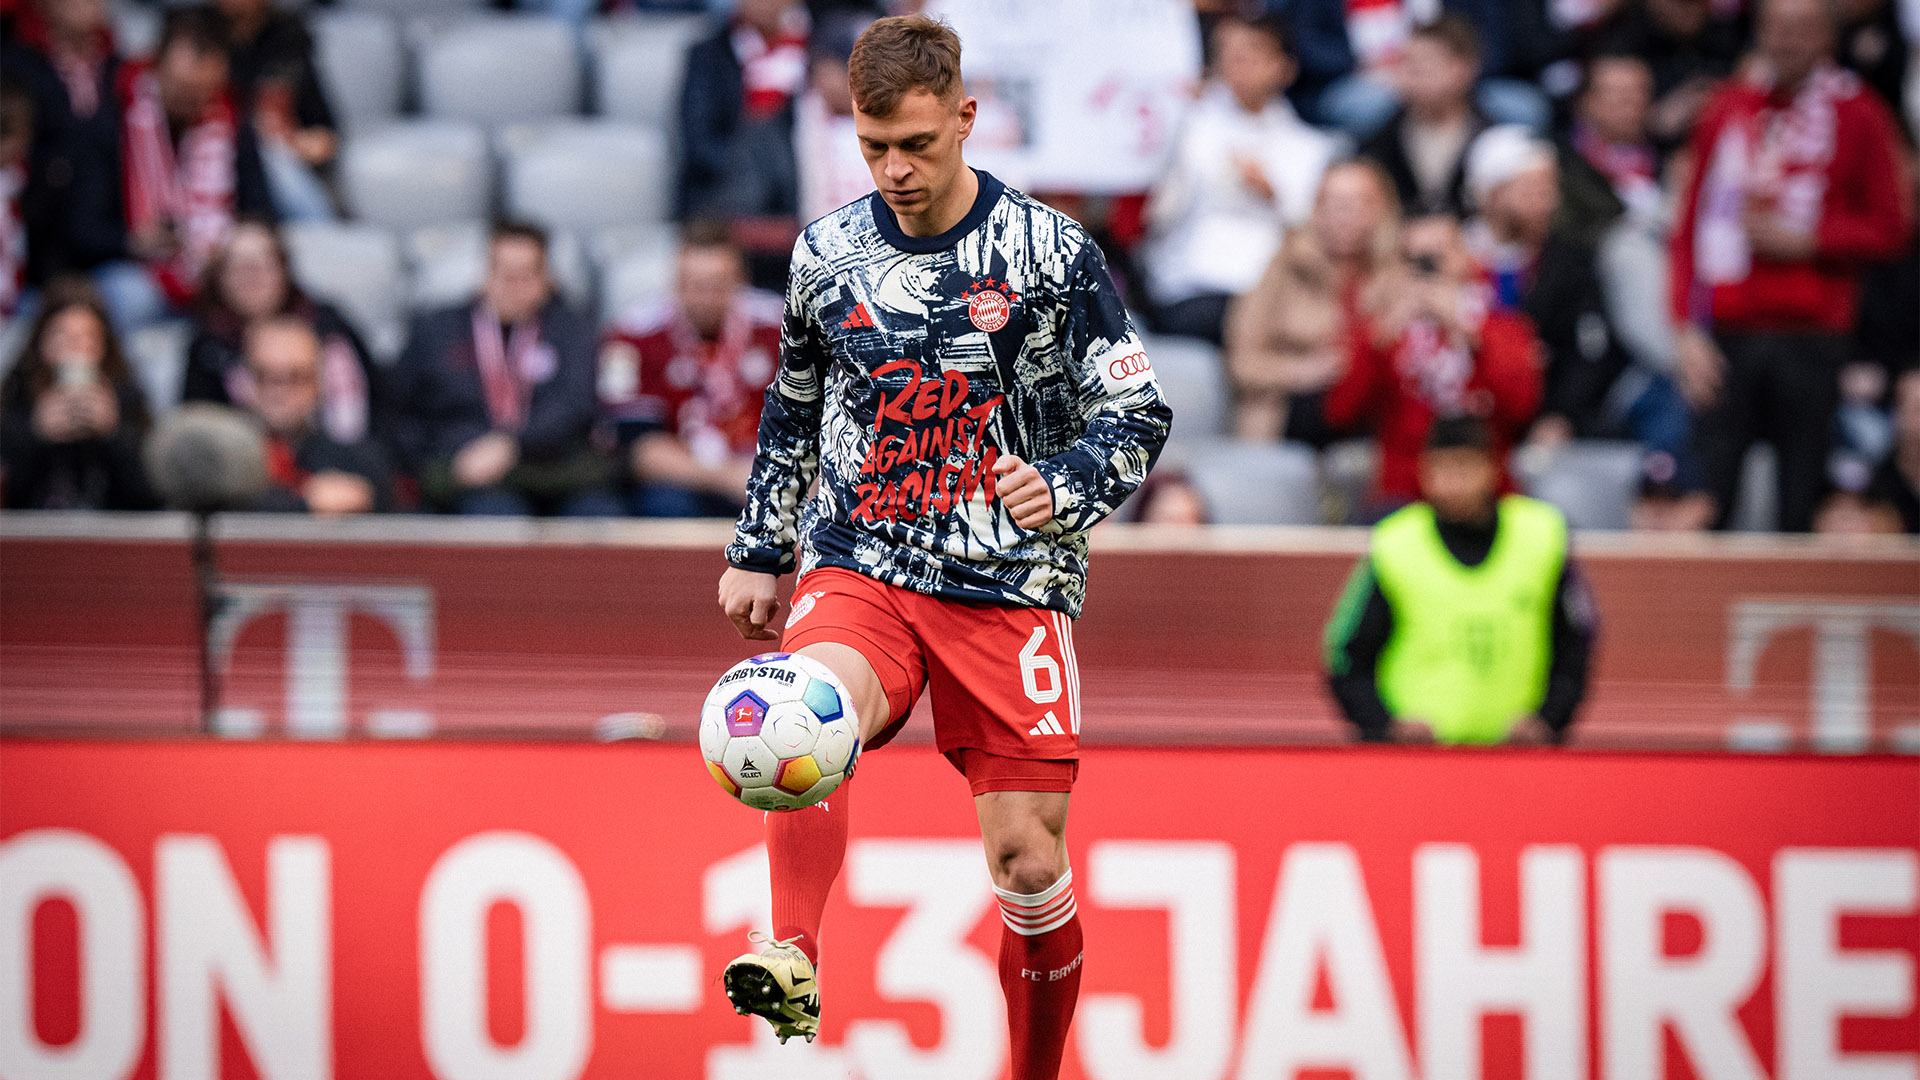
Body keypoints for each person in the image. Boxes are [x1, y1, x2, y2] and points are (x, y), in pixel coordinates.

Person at [714, 15, 1171, 1077]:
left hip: (1010, 583)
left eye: (916, 144)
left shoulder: (1050, 255)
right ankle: (791, 951)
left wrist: (1060, 485)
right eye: (875, 147)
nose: (896, 169)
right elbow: (793, 405)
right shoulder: (827, 254)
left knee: (1025, 860)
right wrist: (761, 543)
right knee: (802, 712)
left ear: (965, 118)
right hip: (863, 557)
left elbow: (1137, 413)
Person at [1669, 0, 1910, 532]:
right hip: (1727, 329)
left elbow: (1892, 226)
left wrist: (1811, 239)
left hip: (1813, 333)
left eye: (1801, 29)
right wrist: (1684, 326)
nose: (1787, 41)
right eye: (1775, 28)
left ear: (1827, 38)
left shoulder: (1860, 113)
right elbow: (1687, 226)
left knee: (1799, 497)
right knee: (1713, 492)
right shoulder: (1728, 109)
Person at [1324, 415, 1596, 745]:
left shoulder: (1541, 536)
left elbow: (1576, 644)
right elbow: (1346, 655)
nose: (1453, 482)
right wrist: (1385, 727)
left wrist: (1549, 720)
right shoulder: (1395, 544)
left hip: (1520, 759)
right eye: (1441, 468)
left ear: (1491, 468)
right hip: (1417, 763)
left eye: (1464, 467)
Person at [59, 6, 276, 334]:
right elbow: (80, 229)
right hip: (140, 270)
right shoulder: (108, 123)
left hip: (217, 269)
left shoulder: (231, 120)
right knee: (125, 293)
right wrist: (133, 242)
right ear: (155, 65)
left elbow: (260, 209)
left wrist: (230, 244)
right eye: (181, 87)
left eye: (202, 91)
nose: (191, 100)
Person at [1140, 13, 1344, 345]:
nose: (1237, 63)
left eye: (1251, 53)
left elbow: (1318, 235)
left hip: (1272, 291)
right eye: (1228, 53)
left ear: (1284, 66)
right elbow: (1158, 209)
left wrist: (1273, 194)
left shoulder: (1311, 148)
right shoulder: (1186, 126)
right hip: (1191, 284)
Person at [390, 221, 616, 517]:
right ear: (486, 274)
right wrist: (445, 462)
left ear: (546, 279)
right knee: (495, 517)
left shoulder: (572, 329)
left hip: (554, 468)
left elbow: (576, 404)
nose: (514, 288)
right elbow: (402, 409)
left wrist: (512, 444)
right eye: (505, 275)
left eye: (526, 276)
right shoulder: (437, 331)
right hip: (468, 473)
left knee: (598, 516)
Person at [1323, 212, 1542, 511]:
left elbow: (1521, 408)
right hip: (1403, 497)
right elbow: (1340, 413)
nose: (1430, 267)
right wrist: (1380, 339)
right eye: (1416, 258)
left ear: (1466, 257)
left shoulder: (1503, 328)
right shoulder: (1380, 331)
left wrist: (1469, 335)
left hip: (1489, 496)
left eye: (1440, 254)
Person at [1463, 126, 1631, 449]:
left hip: (1546, 423)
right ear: (1490, 195)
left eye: (1551, 188)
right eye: (1533, 190)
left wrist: (1561, 416)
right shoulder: (1453, 256)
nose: (1550, 202)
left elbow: (1589, 352)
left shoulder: (1570, 263)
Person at [598, 225, 783, 517]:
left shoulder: (782, 328)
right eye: (695, 285)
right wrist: (729, 477)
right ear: (675, 282)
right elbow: (639, 451)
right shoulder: (634, 335)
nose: (706, 297)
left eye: (718, 285)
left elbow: (817, 427)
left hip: (770, 474)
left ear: (741, 280)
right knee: (665, 502)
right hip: (682, 480)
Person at [1223, 158, 1400, 443]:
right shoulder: (1284, 265)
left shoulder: (1396, 273)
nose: (1345, 215)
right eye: (1334, 203)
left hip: (1372, 416)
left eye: (1359, 203)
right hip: (1287, 413)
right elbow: (1241, 361)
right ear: (1316, 210)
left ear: (1381, 211)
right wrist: (1301, 371)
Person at [183, 219, 377, 447]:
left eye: (261, 263)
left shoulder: (327, 326)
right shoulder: (208, 345)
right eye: (237, 266)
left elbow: (377, 409)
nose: (250, 277)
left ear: (283, 268)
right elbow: (196, 426)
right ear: (219, 278)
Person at [0, 278, 157, 510]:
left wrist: (114, 436)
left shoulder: (126, 398)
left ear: (104, 346)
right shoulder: (17, 397)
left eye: (87, 337)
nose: (75, 348)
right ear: (40, 343)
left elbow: (150, 499)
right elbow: (9, 495)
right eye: (62, 337)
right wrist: (35, 434)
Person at [238, 314, 389, 516]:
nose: (280, 391)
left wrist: (368, 499)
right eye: (265, 376)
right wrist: (306, 504)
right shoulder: (221, 462)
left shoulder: (361, 462)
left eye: (296, 376)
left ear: (318, 382)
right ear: (246, 381)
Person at [676, 0, 809, 221]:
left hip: (798, 190)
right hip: (726, 195)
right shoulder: (707, 56)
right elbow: (699, 144)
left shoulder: (816, 53)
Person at [214, 0, 340, 223]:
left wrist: (297, 142)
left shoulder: (288, 43)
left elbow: (326, 134)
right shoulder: (202, 41)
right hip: (215, 163)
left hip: (279, 168)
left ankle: (322, 233)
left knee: (272, 155)